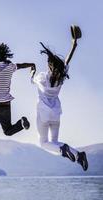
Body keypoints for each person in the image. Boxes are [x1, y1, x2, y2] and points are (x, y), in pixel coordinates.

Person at [32, 25, 88, 171]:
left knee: (44, 143)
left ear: (49, 66)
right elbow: (67, 61)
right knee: (54, 141)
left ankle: (64, 150)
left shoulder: (41, 77)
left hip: (43, 114)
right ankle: (78, 154)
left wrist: (32, 73)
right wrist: (74, 44)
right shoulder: (61, 78)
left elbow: (33, 80)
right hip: (56, 113)